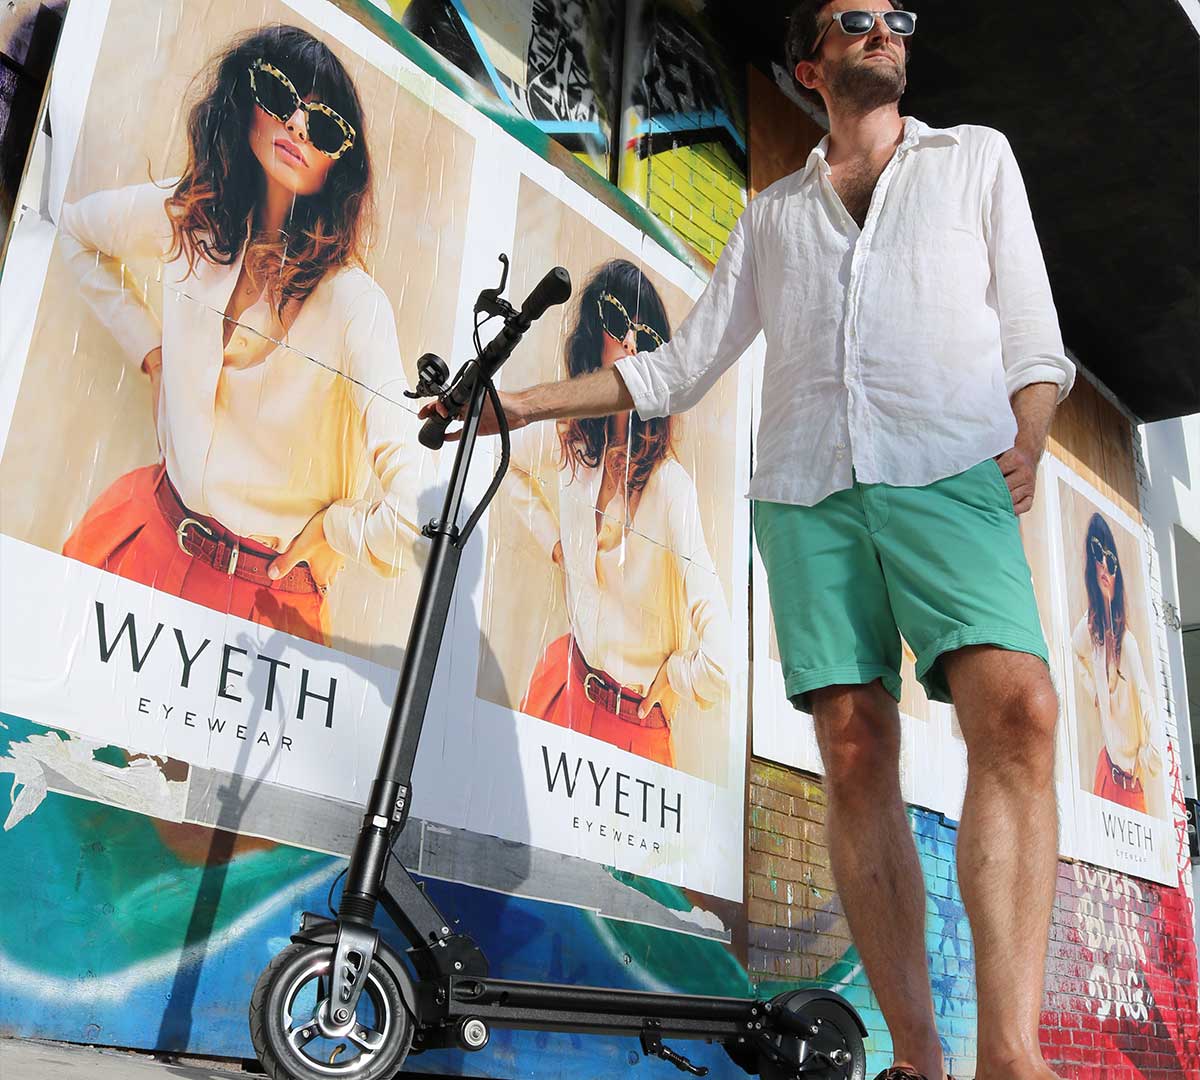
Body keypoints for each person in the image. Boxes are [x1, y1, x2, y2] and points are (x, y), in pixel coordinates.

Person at [425, 3, 1074, 1077]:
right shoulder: (773, 216)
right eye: (854, 19)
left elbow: (1036, 333)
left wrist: (1037, 431)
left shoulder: (974, 162)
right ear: (808, 65)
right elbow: (678, 371)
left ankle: (1011, 1056)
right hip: (810, 492)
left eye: (895, 17)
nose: (883, 31)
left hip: (955, 466)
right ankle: (918, 1061)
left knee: (1025, 710)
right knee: (856, 747)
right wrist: (522, 403)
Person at [58, 24, 422, 646]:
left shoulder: (354, 304)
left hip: (264, 607)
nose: (300, 128)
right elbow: (75, 233)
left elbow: (419, 505)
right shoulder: (194, 218)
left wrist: (339, 532)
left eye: (327, 127)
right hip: (145, 535)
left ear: (343, 163)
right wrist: (153, 355)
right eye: (280, 96)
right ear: (244, 99)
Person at [510, 259, 732, 768]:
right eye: (618, 323)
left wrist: (679, 679)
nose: (632, 344)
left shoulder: (669, 487)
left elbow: (720, 655)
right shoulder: (572, 444)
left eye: (648, 338)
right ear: (595, 334)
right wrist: (556, 542)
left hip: (635, 728)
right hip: (562, 685)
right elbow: (499, 456)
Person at [1072, 513, 1162, 814]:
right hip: (1104, 771)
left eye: (1109, 561)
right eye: (1096, 557)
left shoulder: (1130, 646)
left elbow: (1148, 703)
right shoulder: (1090, 629)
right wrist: (1094, 690)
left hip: (1129, 788)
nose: (1103, 570)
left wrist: (1148, 758)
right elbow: (1076, 653)